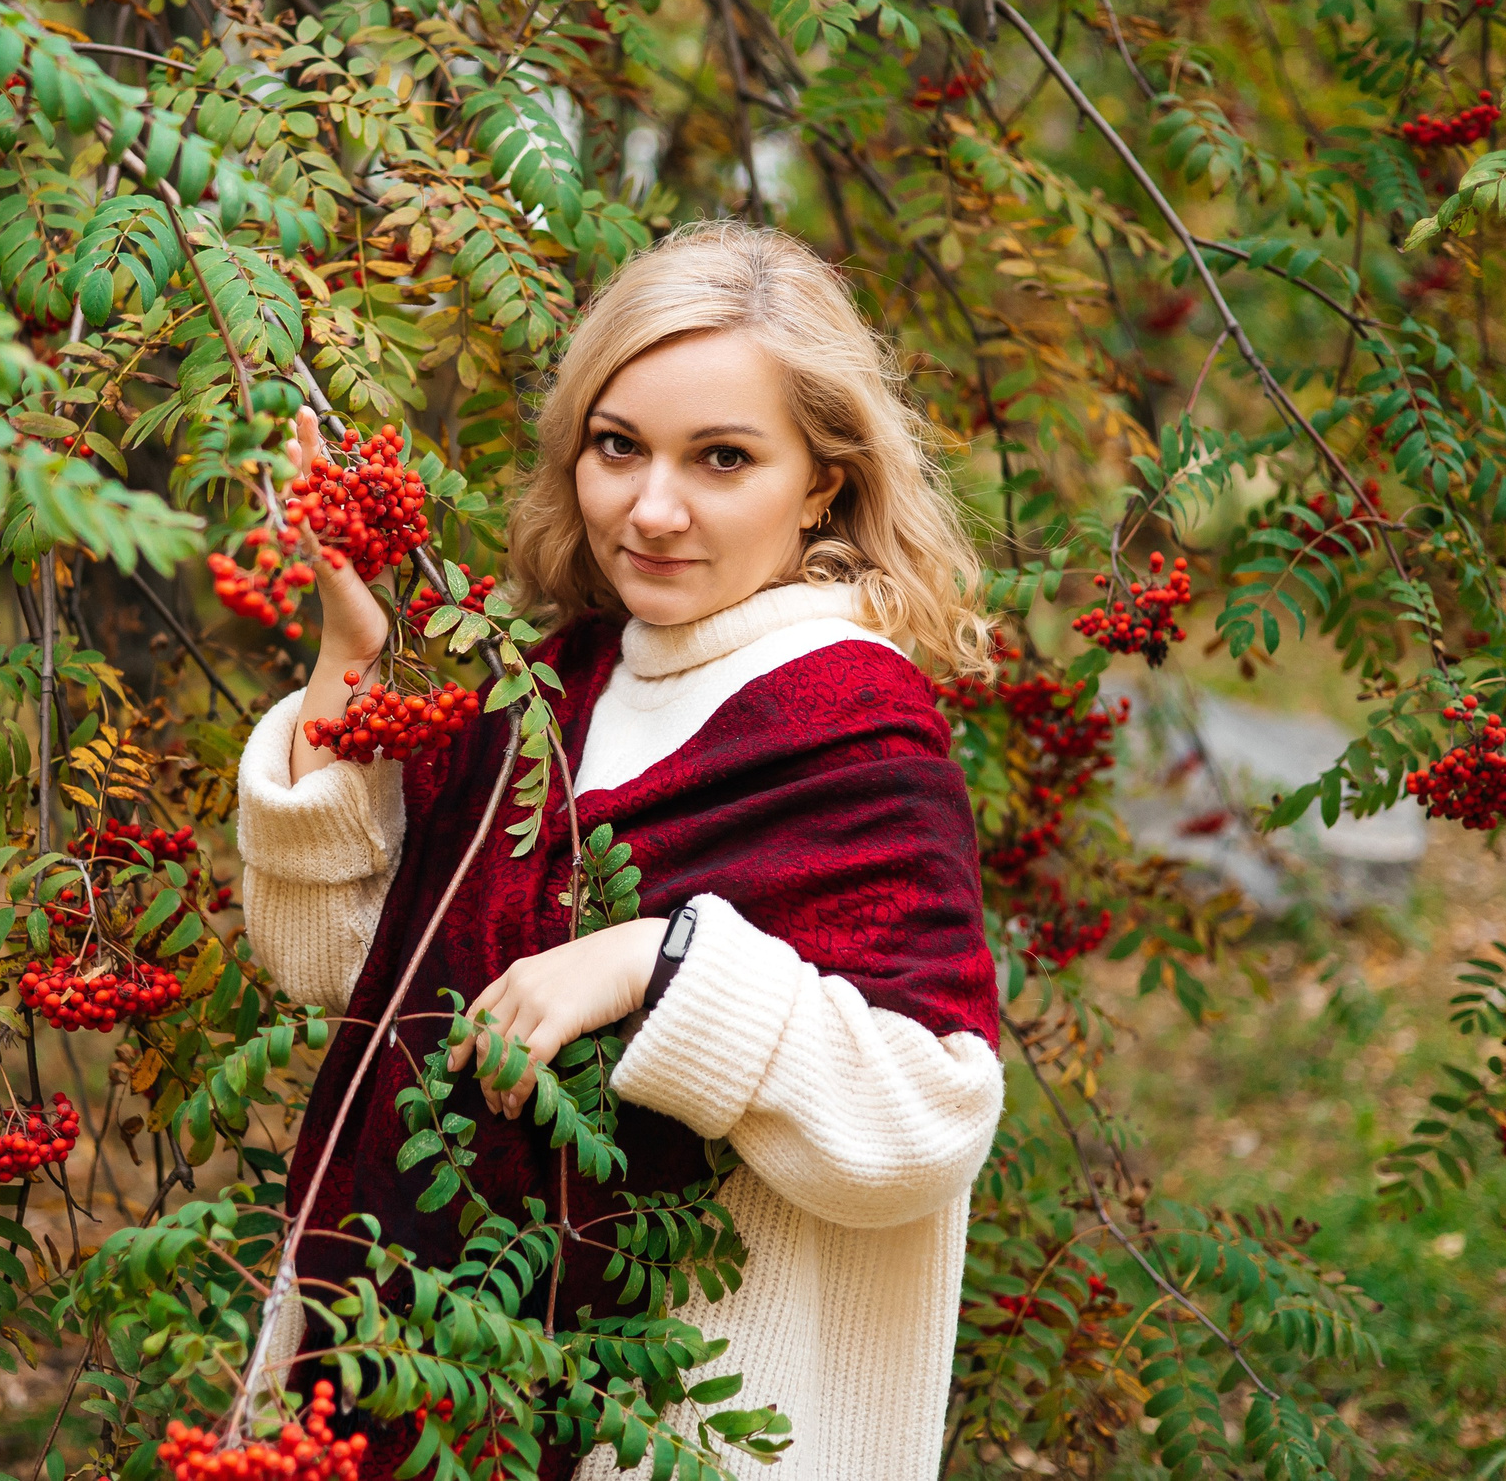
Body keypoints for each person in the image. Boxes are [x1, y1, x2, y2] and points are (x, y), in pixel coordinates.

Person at [235, 219, 1006, 1481]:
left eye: (721, 459)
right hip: (417, 1368)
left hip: (684, 1424)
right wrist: (351, 649)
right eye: (617, 447)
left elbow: (926, 1119)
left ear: (822, 478)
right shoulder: (552, 685)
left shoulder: (847, 727)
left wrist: (659, 963)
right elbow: (330, 958)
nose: (651, 508)